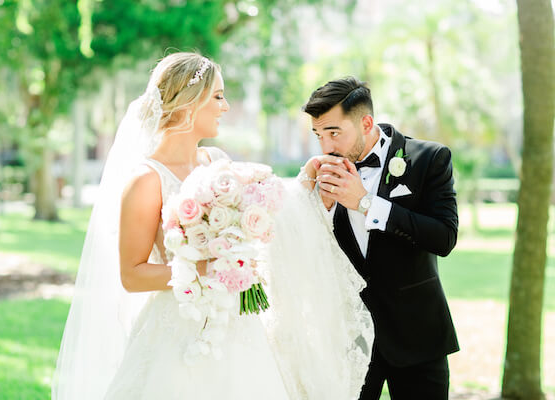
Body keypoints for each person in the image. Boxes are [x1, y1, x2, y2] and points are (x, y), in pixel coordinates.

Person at [52, 53, 373, 400]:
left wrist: (306, 181)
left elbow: (264, 215)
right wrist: (207, 269)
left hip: (239, 324)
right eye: (218, 96)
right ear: (190, 103)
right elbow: (133, 275)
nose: (226, 106)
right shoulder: (146, 179)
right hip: (179, 327)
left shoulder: (217, 162)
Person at [300, 77, 459, 400]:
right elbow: (308, 253)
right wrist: (318, 209)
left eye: (334, 132)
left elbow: (444, 237)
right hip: (348, 339)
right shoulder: (319, 176)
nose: (326, 146)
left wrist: (365, 203)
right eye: (319, 135)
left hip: (417, 335)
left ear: (367, 122)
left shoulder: (429, 158)